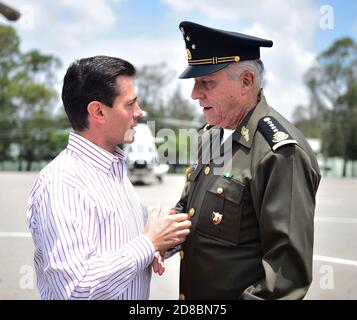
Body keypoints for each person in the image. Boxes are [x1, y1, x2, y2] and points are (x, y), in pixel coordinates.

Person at [170, 21, 321, 300]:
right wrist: (162, 235)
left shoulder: (281, 153)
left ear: (246, 81)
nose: (194, 94)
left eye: (206, 82)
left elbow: (284, 281)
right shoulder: (211, 136)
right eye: (195, 82)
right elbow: (190, 206)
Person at [26, 55, 191, 300]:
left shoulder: (112, 170)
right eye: (130, 104)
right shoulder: (63, 184)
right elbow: (76, 290)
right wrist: (147, 244)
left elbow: (123, 244)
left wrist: (157, 241)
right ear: (98, 111)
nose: (139, 112)